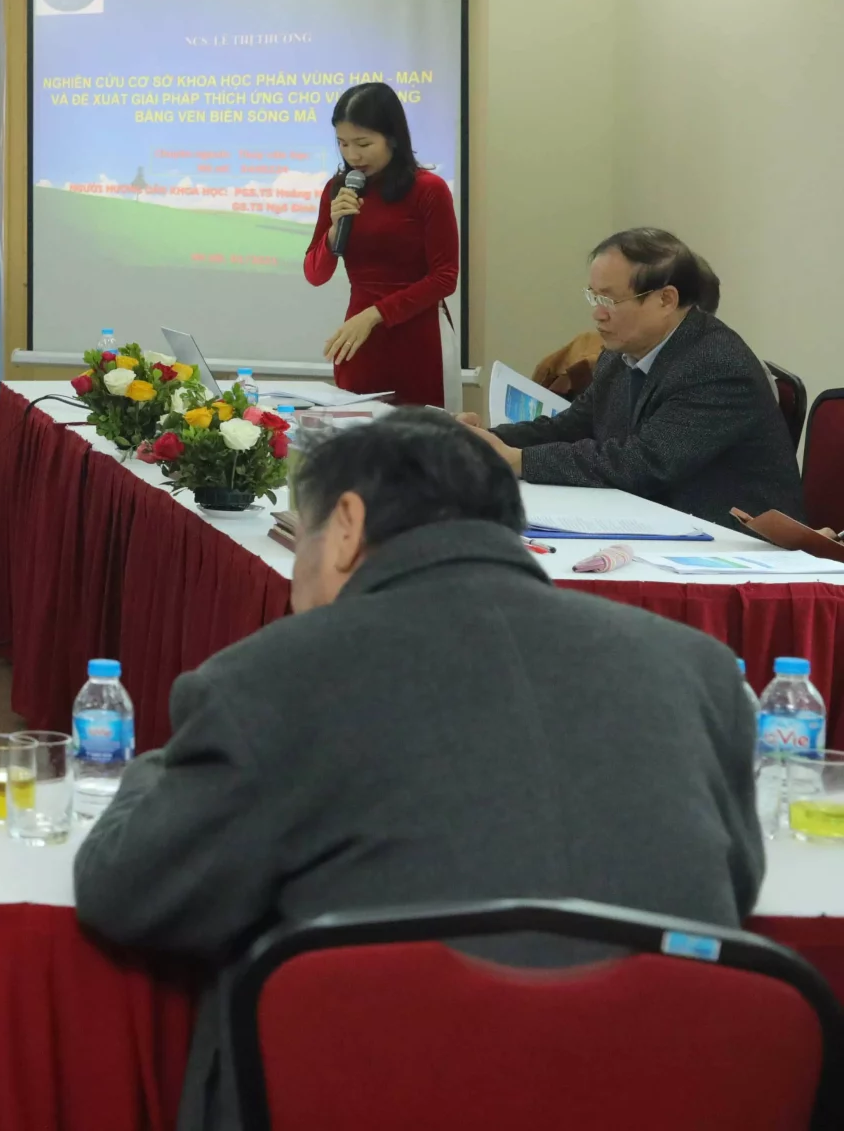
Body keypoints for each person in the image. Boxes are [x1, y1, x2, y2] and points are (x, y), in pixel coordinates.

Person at [75, 410, 761, 1131]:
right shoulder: (699, 669)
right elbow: (737, 886)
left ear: (346, 525)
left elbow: (130, 891)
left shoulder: (270, 678)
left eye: (300, 536)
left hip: (376, 1092)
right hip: (664, 1096)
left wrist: (154, 768)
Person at [467, 227, 803, 528]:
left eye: (610, 300)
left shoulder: (716, 365)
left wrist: (521, 461)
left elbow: (644, 463)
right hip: (653, 518)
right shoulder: (622, 351)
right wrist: (475, 441)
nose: (597, 313)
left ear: (665, 299)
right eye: (594, 296)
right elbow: (570, 426)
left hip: (731, 542)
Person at [301, 81, 459, 408]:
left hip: (418, 340)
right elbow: (315, 275)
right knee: (357, 434)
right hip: (359, 342)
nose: (352, 155)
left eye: (363, 143)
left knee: (420, 436)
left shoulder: (429, 189)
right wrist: (333, 231)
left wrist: (375, 314)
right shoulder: (338, 189)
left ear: (393, 138)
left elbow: (445, 277)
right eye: (342, 143)